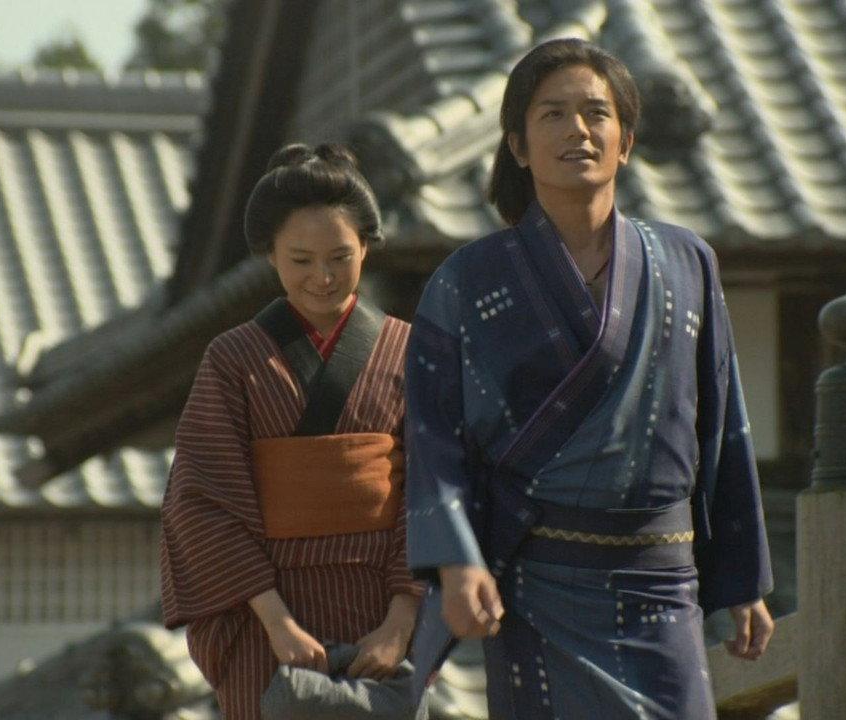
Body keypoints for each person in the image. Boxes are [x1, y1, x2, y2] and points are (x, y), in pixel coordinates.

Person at [404, 38, 775, 719]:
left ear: (625, 141)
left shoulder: (688, 261)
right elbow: (433, 442)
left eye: (595, 113)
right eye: (552, 114)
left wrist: (741, 579)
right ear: (518, 146)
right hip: (536, 583)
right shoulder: (466, 282)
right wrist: (457, 562)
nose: (577, 129)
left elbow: (724, 423)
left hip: (662, 581)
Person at [159, 143, 423, 720]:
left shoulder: (411, 350)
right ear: (271, 255)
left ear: (366, 247)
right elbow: (201, 500)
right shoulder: (232, 358)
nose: (322, 277)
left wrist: (401, 621)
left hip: (378, 609)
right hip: (265, 615)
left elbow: (437, 487)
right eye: (301, 259)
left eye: (340, 256)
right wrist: (276, 621)